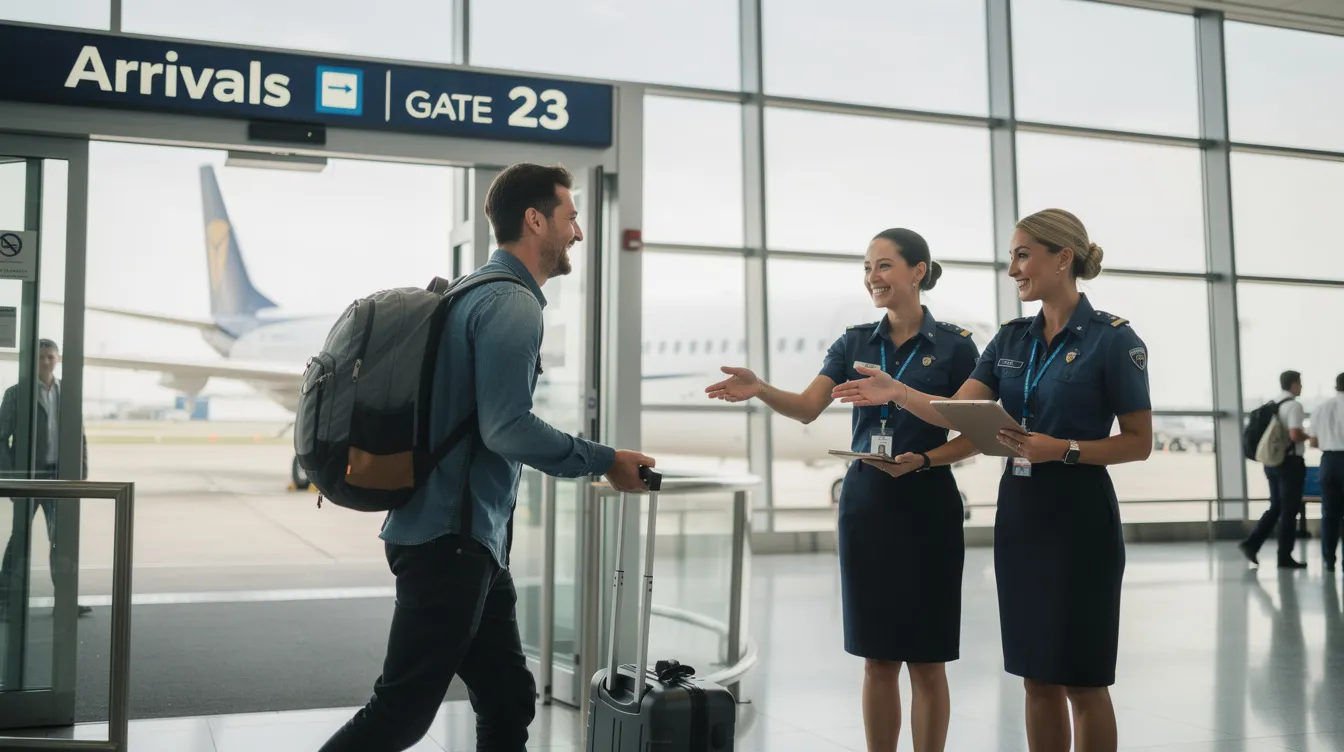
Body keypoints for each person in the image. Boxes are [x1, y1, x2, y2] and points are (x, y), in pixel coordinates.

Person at [320, 164, 656, 752]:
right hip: (451, 540)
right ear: (535, 220)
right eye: (571, 217)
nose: (577, 233)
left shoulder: (471, 291)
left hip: (470, 537)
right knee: (400, 711)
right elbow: (507, 429)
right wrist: (603, 459)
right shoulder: (511, 304)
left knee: (507, 696)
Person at [832, 209, 1152, 752]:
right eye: (1011, 256)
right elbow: (951, 412)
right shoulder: (1009, 341)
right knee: (1035, 674)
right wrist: (897, 392)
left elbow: (1138, 442)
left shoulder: (1112, 340)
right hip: (1021, 515)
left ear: (1063, 258)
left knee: (1082, 678)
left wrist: (1064, 449)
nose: (1012, 270)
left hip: (1080, 518)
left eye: (1022, 255)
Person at [706, 228, 979, 752]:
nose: (872, 278)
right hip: (867, 506)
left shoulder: (955, 346)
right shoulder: (854, 341)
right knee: (877, 656)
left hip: (926, 503)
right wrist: (760, 388)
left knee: (927, 658)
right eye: (867, 268)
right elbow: (809, 407)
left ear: (918, 271)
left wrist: (924, 458)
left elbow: (975, 435)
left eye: (884, 266)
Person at [0, 338, 92, 619]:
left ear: (59, 359)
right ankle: (5, 602)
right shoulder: (16, 394)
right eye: (41, 357)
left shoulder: (68, 392)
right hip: (28, 478)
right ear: (32, 360)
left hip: (60, 477)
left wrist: (81, 474)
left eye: (50, 356)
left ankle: (65, 601)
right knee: (20, 540)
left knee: (61, 541)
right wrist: (10, 477)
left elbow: (80, 436)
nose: (46, 362)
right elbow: (1, 437)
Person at [1239, 370, 1309, 569]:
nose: (1302, 387)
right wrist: (1310, 436)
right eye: (1300, 383)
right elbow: (1294, 434)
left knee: (1277, 506)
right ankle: (1284, 556)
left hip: (1271, 463)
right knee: (1289, 510)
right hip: (1289, 464)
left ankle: (1252, 543)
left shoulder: (1273, 405)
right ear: (1294, 384)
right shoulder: (1294, 405)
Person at [1307, 372, 1344, 572]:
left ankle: (1329, 560)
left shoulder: (1321, 408)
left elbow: (1312, 441)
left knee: (1330, 514)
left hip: (1328, 462)